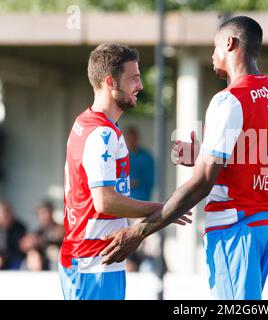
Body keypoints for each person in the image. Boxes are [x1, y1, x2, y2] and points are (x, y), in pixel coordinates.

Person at [100, 16, 268, 300]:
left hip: (235, 226)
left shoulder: (229, 99)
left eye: (214, 47)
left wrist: (140, 231)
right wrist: (203, 156)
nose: (213, 55)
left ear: (229, 43)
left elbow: (202, 183)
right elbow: (251, 158)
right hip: (267, 224)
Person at [60, 43, 191, 300]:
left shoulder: (86, 122)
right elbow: (104, 201)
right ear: (110, 82)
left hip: (94, 261)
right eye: (134, 79)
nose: (140, 86)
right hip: (93, 264)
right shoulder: (103, 133)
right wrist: (163, 209)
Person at [19, 200, 65, 270]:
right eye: (40, 213)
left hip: (59, 263)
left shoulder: (60, 228)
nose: (43, 216)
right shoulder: (38, 232)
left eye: (45, 212)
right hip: (42, 265)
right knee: (31, 256)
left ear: (51, 212)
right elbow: (24, 245)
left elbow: (59, 238)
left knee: (53, 252)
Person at [124, 126, 155, 201]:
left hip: (141, 199)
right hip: (123, 202)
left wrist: (138, 183)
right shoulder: (120, 156)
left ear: (137, 138)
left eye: (133, 138)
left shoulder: (146, 157)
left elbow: (151, 180)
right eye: (129, 138)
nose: (131, 141)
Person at [0, 200, 27, 270]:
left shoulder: (20, 227)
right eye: (3, 212)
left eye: (7, 211)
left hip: (17, 261)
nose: (6, 214)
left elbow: (21, 248)